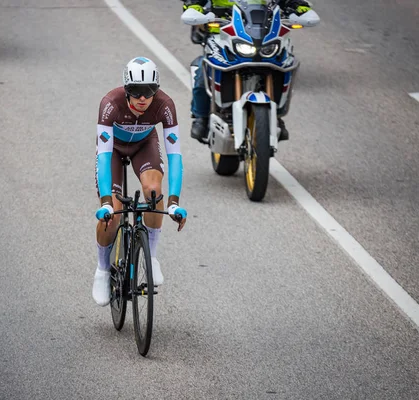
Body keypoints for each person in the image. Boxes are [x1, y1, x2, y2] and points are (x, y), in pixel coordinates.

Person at [92, 57, 188, 306]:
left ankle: (151, 256)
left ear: (156, 90)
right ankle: (102, 271)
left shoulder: (165, 105)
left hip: (144, 145)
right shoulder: (109, 104)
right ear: (126, 90)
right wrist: (105, 202)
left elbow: (175, 155)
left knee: (154, 193)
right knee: (112, 214)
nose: (142, 98)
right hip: (113, 150)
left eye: (149, 91)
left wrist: (174, 202)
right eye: (135, 91)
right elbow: (103, 157)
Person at [182, 0, 314, 143]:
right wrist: (194, 6)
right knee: (203, 69)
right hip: (221, 34)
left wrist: (298, 6)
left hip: (263, 36)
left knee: (284, 62)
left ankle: (277, 116)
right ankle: (201, 117)